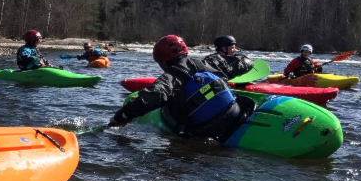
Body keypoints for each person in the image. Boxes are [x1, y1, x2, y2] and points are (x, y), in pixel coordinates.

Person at [108, 35, 254, 141]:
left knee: (169, 109)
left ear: (163, 61)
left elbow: (149, 99)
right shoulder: (212, 63)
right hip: (235, 113)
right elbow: (245, 63)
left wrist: (120, 117)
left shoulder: (170, 78)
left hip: (207, 130)